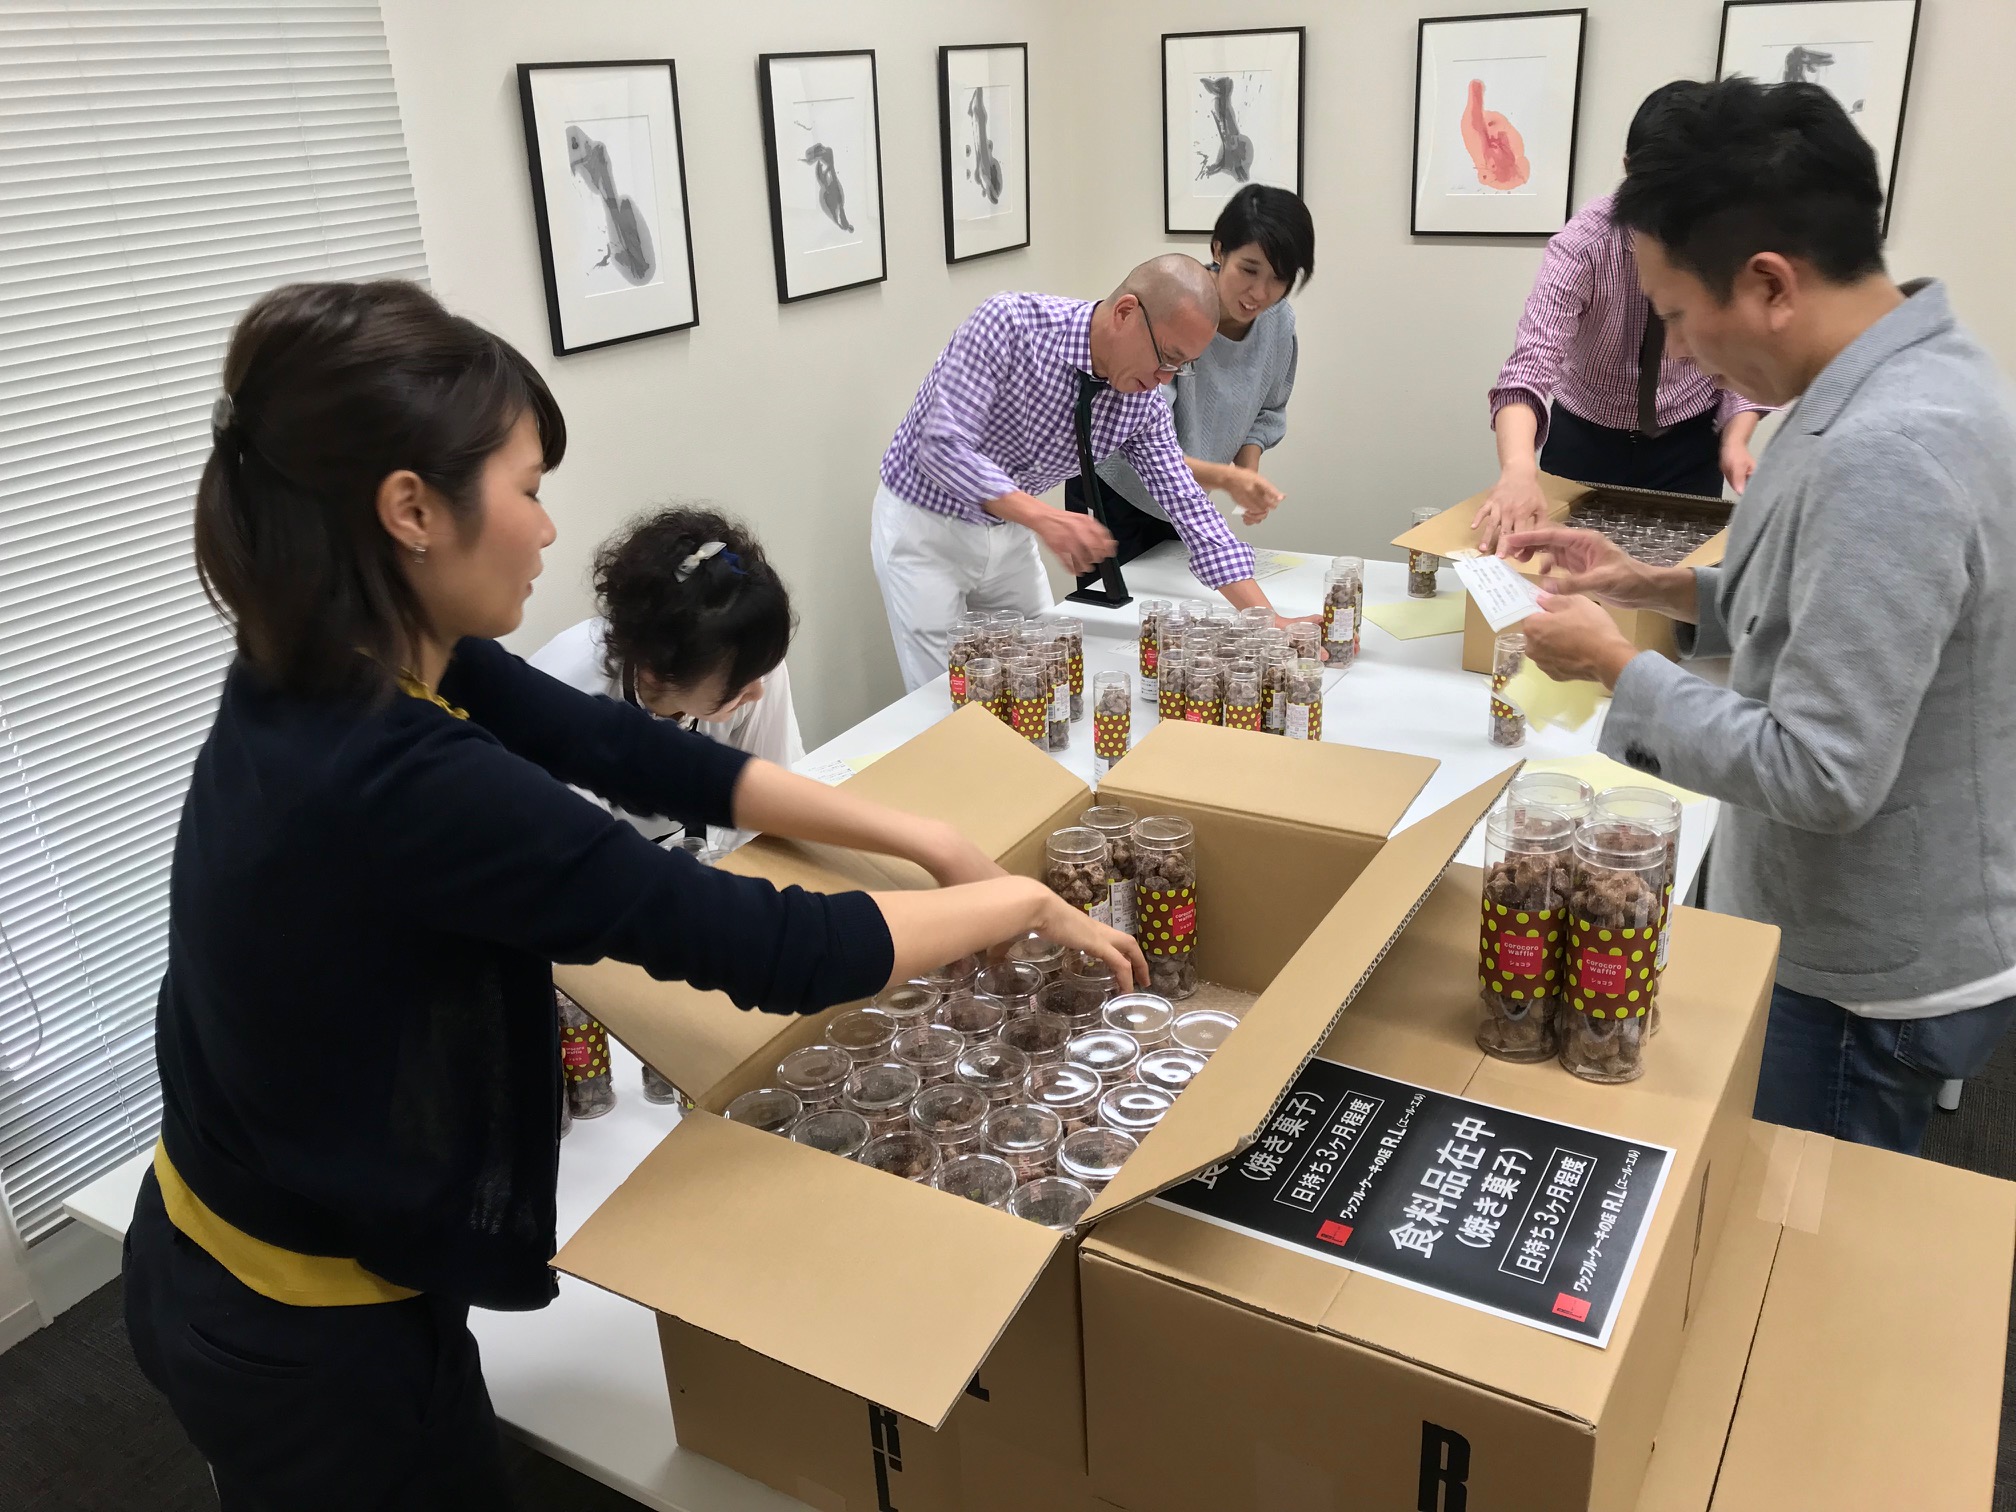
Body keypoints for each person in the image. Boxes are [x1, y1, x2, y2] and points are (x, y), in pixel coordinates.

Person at [123, 280, 1145, 1509]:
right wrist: (1022, 906)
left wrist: (922, 835)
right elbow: (763, 945)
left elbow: (638, 754)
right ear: (412, 510)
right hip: (302, 1326)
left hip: (246, 1233)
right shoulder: (399, 774)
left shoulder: (357, 660)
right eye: (527, 489)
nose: (548, 530)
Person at [1509, 79, 2016, 1155]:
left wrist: (1617, 669)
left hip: (1858, 975)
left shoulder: (1887, 448)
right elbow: (1833, 612)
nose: (1681, 354)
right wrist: (1652, 586)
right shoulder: (1891, 381)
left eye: (1675, 315)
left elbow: (1824, 770)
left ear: (1770, 284)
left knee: (1790, 1222)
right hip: (1855, 927)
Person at [871, 254, 1307, 691]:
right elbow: (942, 446)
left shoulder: (1140, 403)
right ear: (1125, 313)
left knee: (1043, 677)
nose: (1163, 379)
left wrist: (1267, 621)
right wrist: (1045, 518)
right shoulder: (1011, 324)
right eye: (1166, 357)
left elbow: (1190, 507)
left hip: (1010, 527)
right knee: (943, 693)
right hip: (928, 526)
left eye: (1180, 367)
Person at [1473, 81, 1773, 552]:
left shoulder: (1723, 241)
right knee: (1564, 575)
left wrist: (1736, 439)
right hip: (1586, 435)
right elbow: (1530, 366)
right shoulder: (1585, 244)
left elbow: (1738, 352)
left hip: (1688, 438)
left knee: (1677, 579)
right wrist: (1517, 468)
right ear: (1630, 169)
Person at [530, 506, 804, 850]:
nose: (757, 692)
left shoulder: (750, 659)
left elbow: (775, 803)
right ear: (657, 674)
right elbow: (580, 855)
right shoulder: (566, 695)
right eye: (737, 684)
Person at [1083, 184, 1315, 565]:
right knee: (1123, 602)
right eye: (1249, 270)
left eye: (1279, 278)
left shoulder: (1277, 323)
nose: (1259, 293)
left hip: (1186, 494)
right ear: (1219, 250)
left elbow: (1267, 411)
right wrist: (1228, 479)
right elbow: (1140, 444)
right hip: (1118, 488)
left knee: (1198, 595)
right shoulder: (1178, 310)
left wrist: (1248, 479)